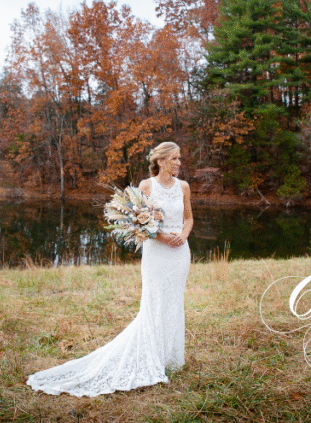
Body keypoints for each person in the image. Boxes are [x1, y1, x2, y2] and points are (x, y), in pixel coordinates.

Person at [26, 141, 192, 397]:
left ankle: (171, 358)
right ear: (160, 161)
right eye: (174, 158)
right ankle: (151, 355)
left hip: (180, 253)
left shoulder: (184, 187)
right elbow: (139, 221)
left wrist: (182, 235)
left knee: (174, 301)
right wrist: (162, 237)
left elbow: (189, 218)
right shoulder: (147, 186)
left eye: (180, 158)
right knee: (155, 300)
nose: (179, 163)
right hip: (158, 253)